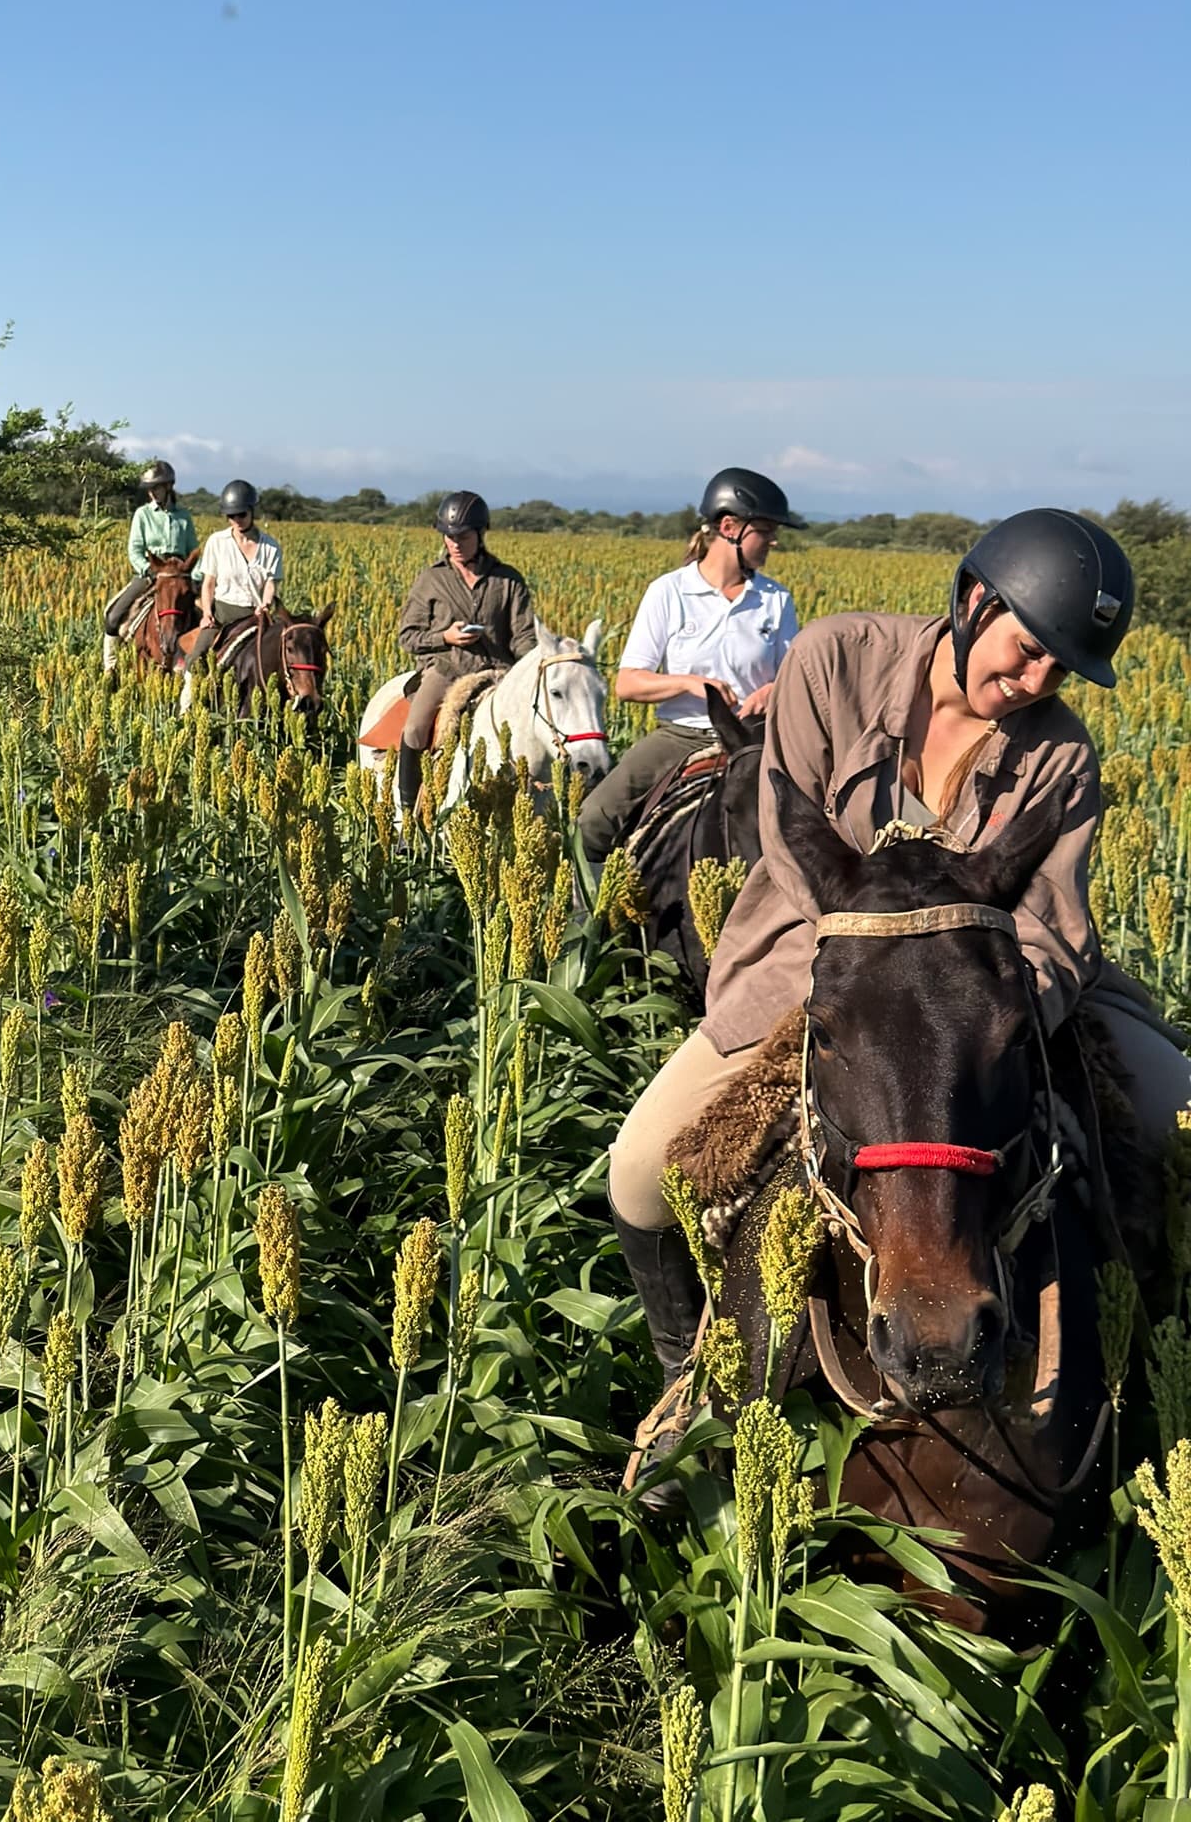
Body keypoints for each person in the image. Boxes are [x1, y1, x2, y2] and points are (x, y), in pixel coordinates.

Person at [606, 507, 1191, 1505]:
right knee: (639, 1168)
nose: (1039, 680)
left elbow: (1051, 922)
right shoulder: (836, 660)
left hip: (988, 995)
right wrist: (871, 977)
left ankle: (1159, 1375)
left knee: (1180, 1119)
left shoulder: (1062, 754)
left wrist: (994, 1009)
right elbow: (790, 851)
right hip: (816, 966)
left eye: (1064, 667)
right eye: (1029, 647)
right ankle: (686, 1378)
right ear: (974, 600)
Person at [578, 467, 803, 862]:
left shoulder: (775, 599)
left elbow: (792, 677)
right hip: (683, 736)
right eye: (764, 530)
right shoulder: (670, 591)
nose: (773, 540)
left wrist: (772, 691)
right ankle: (597, 920)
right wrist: (687, 684)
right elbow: (628, 683)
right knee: (594, 819)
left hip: (754, 739)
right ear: (730, 527)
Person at [394, 490, 537, 813]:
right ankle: (407, 816)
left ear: (481, 533)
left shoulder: (508, 580)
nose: (455, 543)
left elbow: (523, 637)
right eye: (448, 536)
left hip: (499, 671)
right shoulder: (432, 579)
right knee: (415, 728)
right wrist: (445, 637)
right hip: (447, 669)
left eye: (463, 536)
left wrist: (532, 664)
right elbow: (408, 636)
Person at [103, 460, 198, 671]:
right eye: (149, 489)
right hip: (151, 571)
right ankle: (110, 667)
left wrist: (195, 576)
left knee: (207, 614)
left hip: (180, 574)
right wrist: (148, 569)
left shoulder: (183, 517)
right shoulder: (142, 515)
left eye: (156, 487)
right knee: (114, 615)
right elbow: (135, 549)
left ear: (168, 486)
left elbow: (193, 549)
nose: (152, 493)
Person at [187, 479, 283, 668]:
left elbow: (271, 583)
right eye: (231, 516)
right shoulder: (217, 541)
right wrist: (206, 613)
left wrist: (265, 605)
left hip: (256, 615)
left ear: (252, 511)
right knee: (195, 660)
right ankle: (186, 697)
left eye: (242, 514)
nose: (237, 520)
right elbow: (208, 583)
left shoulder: (270, 546)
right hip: (223, 614)